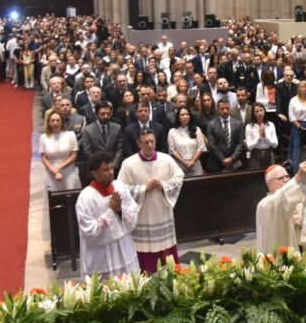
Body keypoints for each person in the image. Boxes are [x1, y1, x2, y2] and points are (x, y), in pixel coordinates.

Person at [118, 127, 185, 271]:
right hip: (142, 213)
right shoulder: (128, 163)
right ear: (139, 144)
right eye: (145, 143)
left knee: (165, 247)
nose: (149, 145)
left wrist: (164, 185)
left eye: (152, 141)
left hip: (162, 209)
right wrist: (143, 189)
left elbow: (179, 177)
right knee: (144, 248)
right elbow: (121, 188)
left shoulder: (166, 159)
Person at [75, 151, 140, 278]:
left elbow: (133, 212)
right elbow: (89, 232)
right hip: (100, 254)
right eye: (105, 169)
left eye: (111, 168)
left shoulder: (120, 187)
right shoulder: (86, 197)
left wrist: (120, 209)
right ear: (94, 173)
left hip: (123, 247)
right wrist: (111, 212)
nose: (111, 172)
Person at [256, 160, 306, 255]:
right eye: (280, 178)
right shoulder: (265, 204)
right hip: (277, 257)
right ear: (269, 184)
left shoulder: (296, 202)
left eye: (287, 176)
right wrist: (299, 176)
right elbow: (279, 198)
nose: (286, 180)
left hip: (298, 253)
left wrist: (302, 225)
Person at [40, 109, 80, 192]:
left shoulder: (70, 135)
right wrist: (54, 171)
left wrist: (58, 168)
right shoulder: (43, 137)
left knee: (70, 196)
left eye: (57, 120)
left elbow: (73, 156)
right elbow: (44, 158)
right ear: (49, 123)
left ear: (61, 122)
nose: (55, 123)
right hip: (51, 171)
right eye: (52, 121)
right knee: (53, 198)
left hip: (68, 171)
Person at [206, 97, 245, 172]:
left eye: (227, 108)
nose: (225, 111)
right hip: (216, 164)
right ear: (217, 109)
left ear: (230, 108)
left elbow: (240, 143)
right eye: (222, 108)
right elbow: (212, 145)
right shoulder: (211, 124)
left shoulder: (238, 123)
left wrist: (232, 158)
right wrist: (224, 159)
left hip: (235, 163)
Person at [79, 102, 123, 169]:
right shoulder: (88, 130)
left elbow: (120, 149)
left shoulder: (117, 128)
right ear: (96, 114)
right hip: (96, 168)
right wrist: (99, 166)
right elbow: (88, 151)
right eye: (102, 114)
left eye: (108, 114)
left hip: (113, 167)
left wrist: (114, 165)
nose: (106, 116)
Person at [167, 107, 207, 176]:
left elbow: (201, 147)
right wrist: (184, 162)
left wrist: (192, 161)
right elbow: (172, 150)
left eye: (187, 114)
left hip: (195, 165)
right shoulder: (172, 131)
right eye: (182, 115)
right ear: (178, 117)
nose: (185, 116)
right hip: (179, 165)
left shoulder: (196, 129)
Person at [288, 81, 306, 172]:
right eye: (301, 87)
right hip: (297, 128)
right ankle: (296, 174)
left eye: (305, 87)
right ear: (298, 88)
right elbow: (291, 116)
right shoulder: (293, 100)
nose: (303, 89)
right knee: (297, 153)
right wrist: (300, 127)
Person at [245, 102, 278, 169]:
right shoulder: (249, 126)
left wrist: (265, 137)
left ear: (264, 111)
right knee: (256, 178)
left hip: (269, 154)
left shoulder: (271, 125)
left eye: (261, 110)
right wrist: (259, 137)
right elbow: (249, 147)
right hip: (255, 155)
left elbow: (275, 144)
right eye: (257, 111)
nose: (260, 113)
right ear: (253, 113)